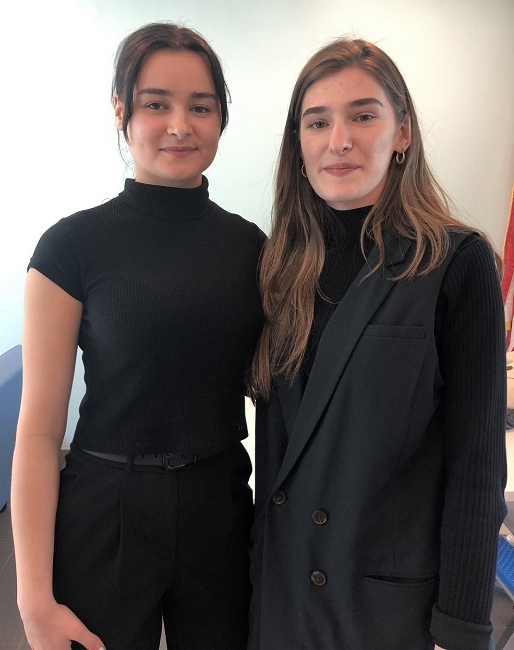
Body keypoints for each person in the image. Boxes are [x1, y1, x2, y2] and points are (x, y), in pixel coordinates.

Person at [11, 22, 265, 650]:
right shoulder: (70, 247)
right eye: (156, 104)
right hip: (106, 506)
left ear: (222, 118)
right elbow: (38, 434)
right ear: (121, 111)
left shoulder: (252, 249)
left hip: (219, 505)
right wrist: (33, 599)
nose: (180, 125)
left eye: (201, 107)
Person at [247, 37, 506, 650]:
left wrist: (461, 628)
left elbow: (476, 466)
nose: (339, 140)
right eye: (318, 122)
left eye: (362, 116)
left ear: (403, 132)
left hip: (385, 607)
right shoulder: (279, 266)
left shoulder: (457, 262)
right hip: (282, 593)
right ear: (298, 144)